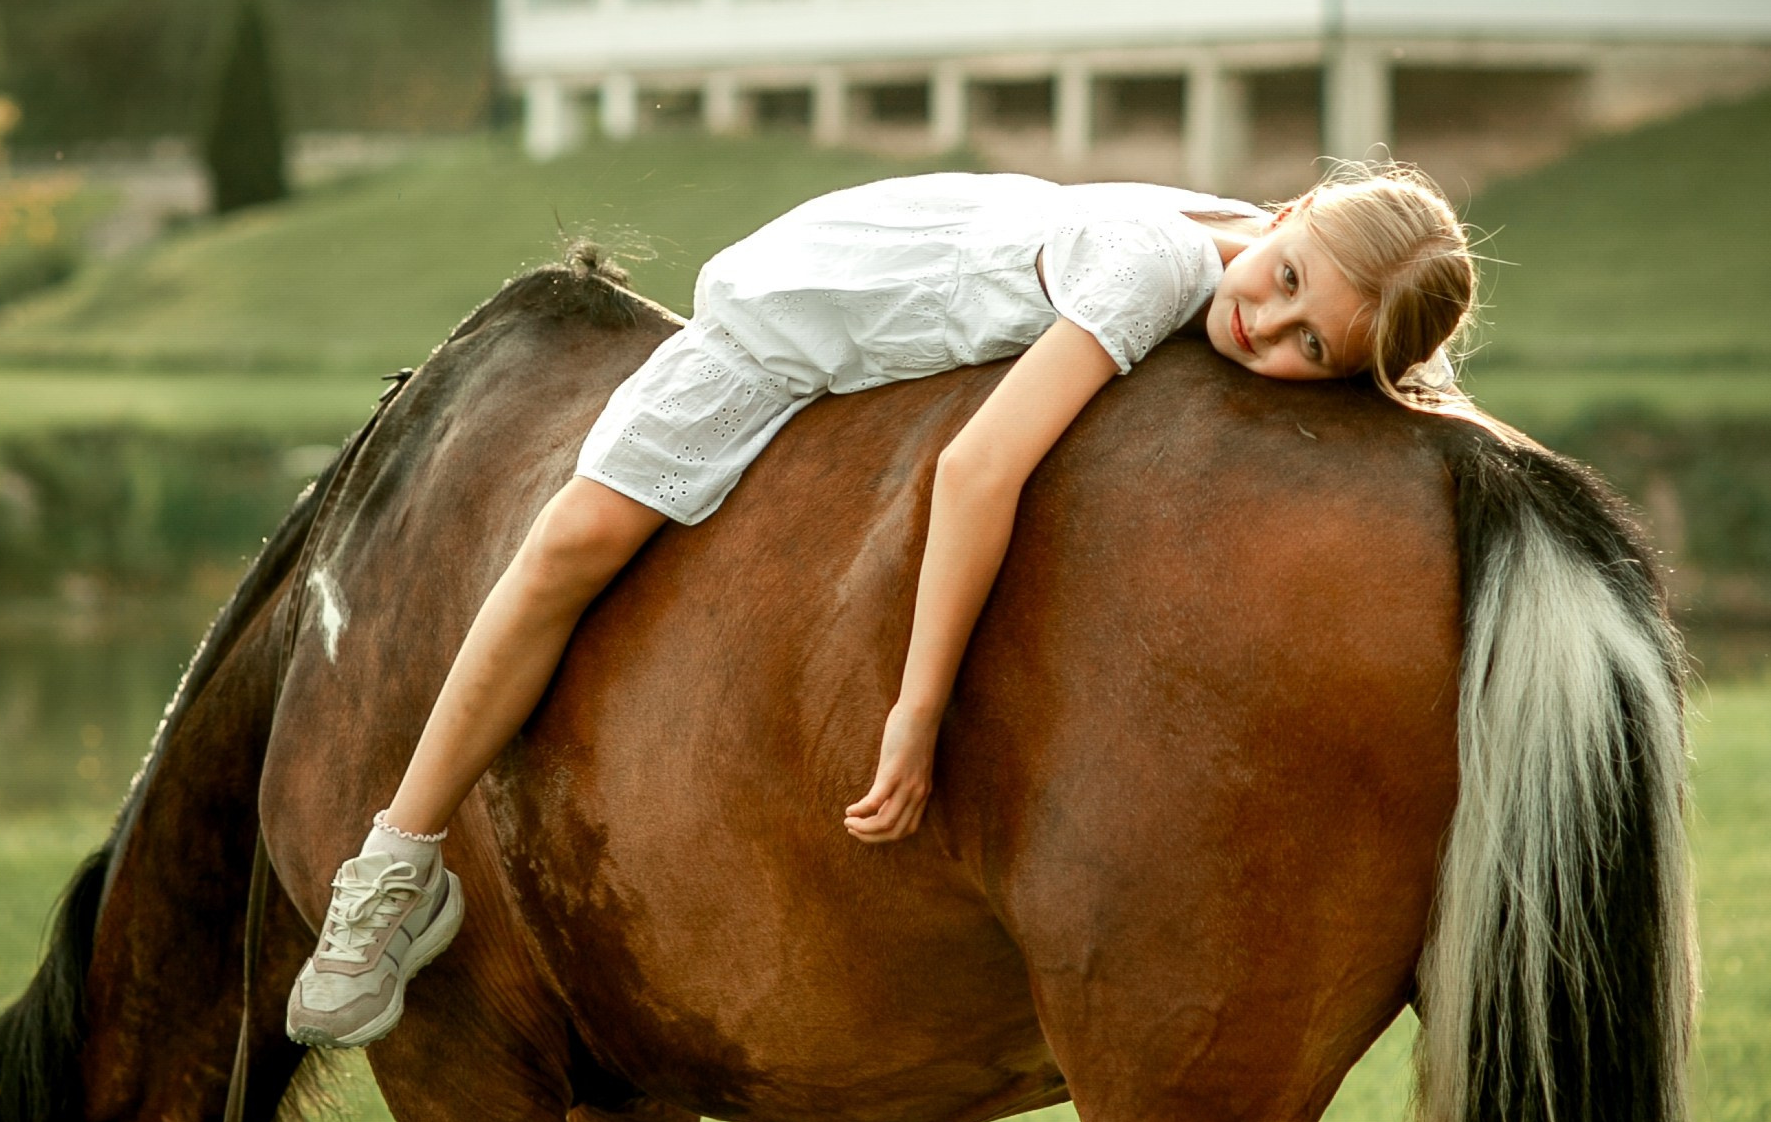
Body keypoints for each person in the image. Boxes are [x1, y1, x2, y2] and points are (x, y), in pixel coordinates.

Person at [286, 162, 1476, 1048]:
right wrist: (915, 707)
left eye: (1306, 346)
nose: (1262, 326)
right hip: (795, 316)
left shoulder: (1241, 240)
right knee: (570, 542)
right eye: (1283, 284)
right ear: (1290, 213)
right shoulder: (1160, 263)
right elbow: (973, 469)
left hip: (909, 271)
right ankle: (400, 858)